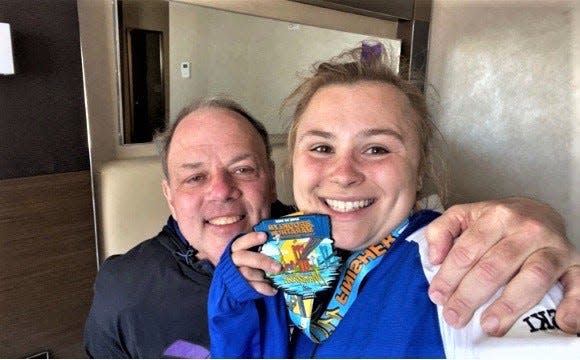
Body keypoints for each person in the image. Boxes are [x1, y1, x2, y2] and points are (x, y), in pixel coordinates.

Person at [83, 95, 580, 358]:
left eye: (243, 168)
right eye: (194, 177)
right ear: (168, 193)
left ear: (275, 176)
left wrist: (533, 215)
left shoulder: (323, 241)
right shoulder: (122, 286)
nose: (220, 192)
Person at [207, 43, 580, 358]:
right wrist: (235, 292)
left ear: (419, 172)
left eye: (376, 148)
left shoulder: (463, 267)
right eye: (322, 147)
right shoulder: (276, 252)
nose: (343, 173)